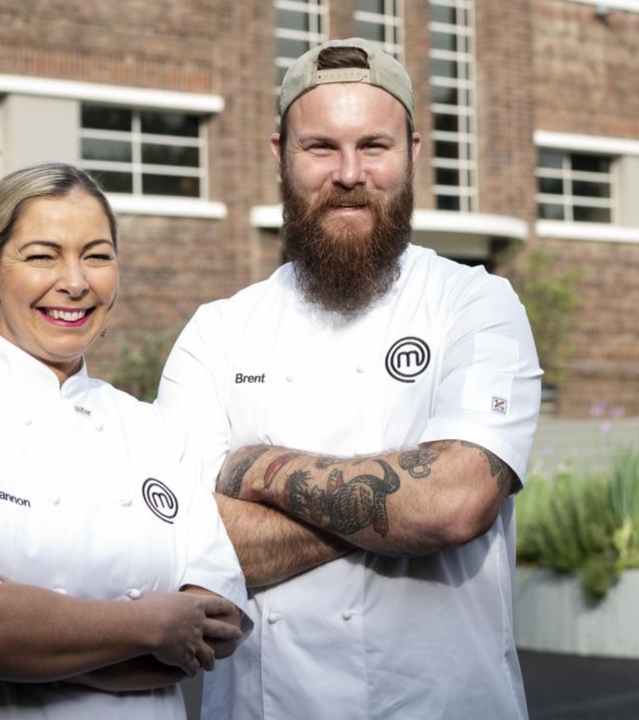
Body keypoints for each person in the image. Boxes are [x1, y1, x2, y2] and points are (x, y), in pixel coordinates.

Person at [156, 38, 542, 720]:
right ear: (280, 155)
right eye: (320, 147)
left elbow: (457, 503)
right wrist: (400, 510)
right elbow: (183, 543)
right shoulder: (217, 332)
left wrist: (257, 468)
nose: (349, 173)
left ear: (413, 153)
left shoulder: (475, 304)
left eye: (374, 146)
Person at [0, 163, 250, 719]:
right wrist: (153, 624)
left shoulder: (155, 431)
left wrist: (23, 631)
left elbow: (216, 626)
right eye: (43, 256)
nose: (75, 282)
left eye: (97, 256)